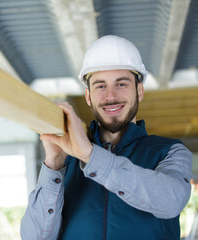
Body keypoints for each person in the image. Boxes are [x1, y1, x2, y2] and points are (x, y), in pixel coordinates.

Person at [20, 35, 193, 240]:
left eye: (121, 84)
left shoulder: (169, 151)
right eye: (100, 86)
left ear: (139, 91)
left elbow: (170, 201)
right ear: (88, 97)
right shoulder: (67, 161)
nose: (110, 96)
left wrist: (91, 156)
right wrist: (53, 165)